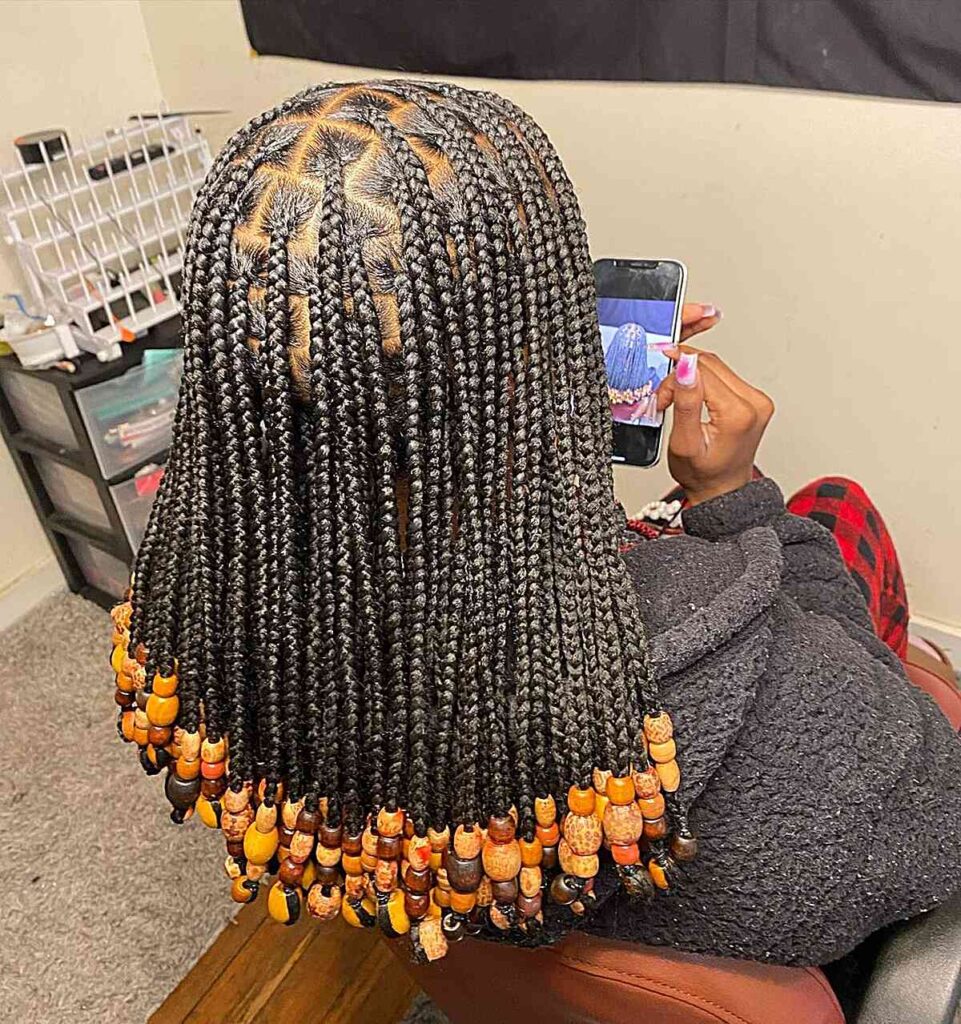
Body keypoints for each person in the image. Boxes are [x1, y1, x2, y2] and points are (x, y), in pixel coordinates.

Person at [109, 80, 961, 969]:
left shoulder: (186, 616)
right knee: (838, 513)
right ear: (538, 361)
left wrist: (508, 380)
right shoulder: (726, 662)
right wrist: (730, 497)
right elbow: (928, 816)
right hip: (801, 910)